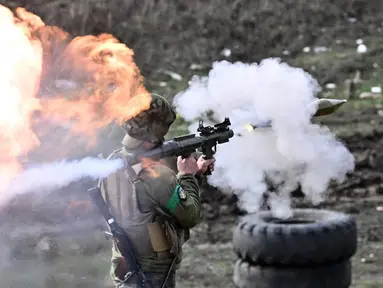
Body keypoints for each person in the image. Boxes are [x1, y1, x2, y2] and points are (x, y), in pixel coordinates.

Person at [100, 93, 215, 288]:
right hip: (153, 273)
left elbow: (146, 202)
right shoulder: (158, 177)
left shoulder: (111, 163)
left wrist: (197, 174)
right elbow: (190, 216)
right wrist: (187, 176)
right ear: (155, 130)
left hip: (125, 265)